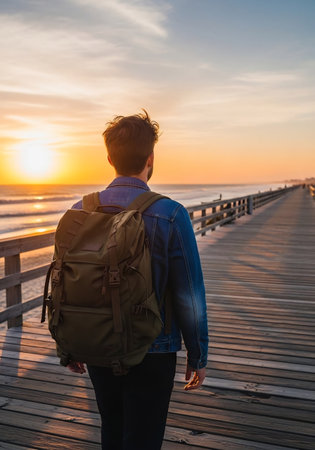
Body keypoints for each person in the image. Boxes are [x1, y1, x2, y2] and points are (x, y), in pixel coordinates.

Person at [69, 110, 208, 450]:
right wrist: (198, 353)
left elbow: (70, 281)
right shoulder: (171, 214)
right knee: (143, 439)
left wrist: (71, 343)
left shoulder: (79, 210)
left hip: (98, 343)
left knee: (112, 431)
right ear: (150, 158)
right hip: (154, 348)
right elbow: (188, 293)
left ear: (109, 158)